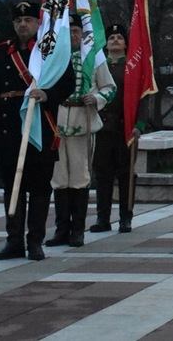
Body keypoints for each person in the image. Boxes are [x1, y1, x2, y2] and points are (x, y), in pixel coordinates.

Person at [0, 1, 74, 261]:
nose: (23, 25)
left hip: (40, 127)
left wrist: (48, 94)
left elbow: (68, 82)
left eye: (29, 20)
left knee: (40, 187)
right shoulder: (2, 52)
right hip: (7, 128)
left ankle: (35, 241)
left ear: (38, 23)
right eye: (18, 21)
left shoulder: (49, 51)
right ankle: (14, 241)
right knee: (13, 187)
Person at [45, 15, 115, 249]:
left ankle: (78, 230)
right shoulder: (54, 57)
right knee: (59, 178)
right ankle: (61, 228)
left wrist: (95, 98)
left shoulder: (94, 57)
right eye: (69, 31)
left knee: (80, 177)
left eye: (77, 31)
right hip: (57, 121)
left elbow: (109, 88)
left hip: (82, 121)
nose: (73, 35)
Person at [89, 23, 145, 234]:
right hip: (102, 126)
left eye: (119, 38)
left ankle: (125, 217)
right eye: (111, 38)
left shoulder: (132, 66)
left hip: (125, 126)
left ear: (125, 43)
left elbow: (143, 96)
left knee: (125, 174)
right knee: (102, 175)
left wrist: (139, 124)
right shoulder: (98, 65)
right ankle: (102, 217)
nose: (114, 41)